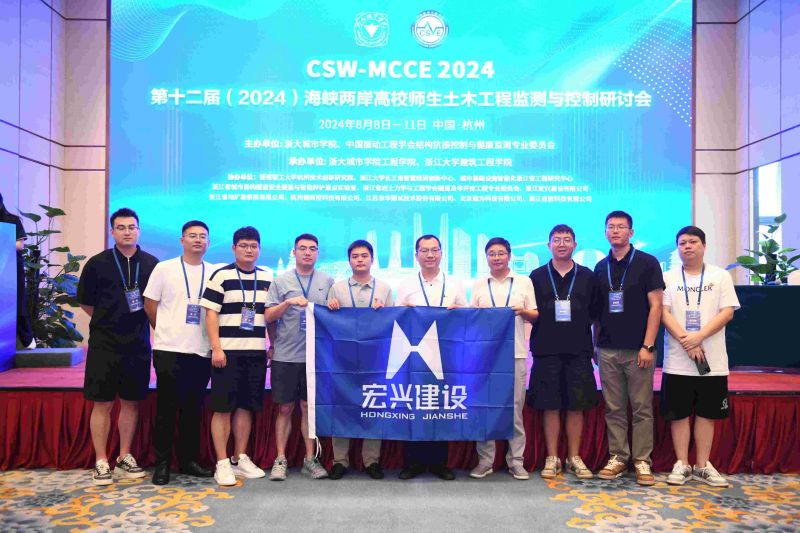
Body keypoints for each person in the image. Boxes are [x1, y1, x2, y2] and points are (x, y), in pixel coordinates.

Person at [77, 207, 159, 485]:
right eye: (121, 228)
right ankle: (101, 460)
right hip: (104, 344)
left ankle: (125, 456)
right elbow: (86, 302)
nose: (127, 232)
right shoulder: (97, 263)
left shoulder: (151, 264)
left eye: (131, 227)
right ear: (112, 232)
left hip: (137, 344)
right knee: (102, 403)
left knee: (131, 403)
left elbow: (155, 304)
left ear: (139, 231)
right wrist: (109, 320)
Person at [661, 226, 739, 487]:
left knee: (707, 413)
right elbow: (663, 313)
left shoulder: (720, 276)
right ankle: (682, 463)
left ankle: (703, 465)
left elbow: (727, 312)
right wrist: (688, 342)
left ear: (704, 246)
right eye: (682, 243)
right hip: (677, 361)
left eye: (693, 242)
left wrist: (699, 337)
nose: (687, 246)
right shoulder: (667, 277)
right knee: (678, 413)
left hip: (712, 361)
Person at [594, 210, 664, 486]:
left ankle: (642, 460)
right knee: (613, 408)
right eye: (610, 227)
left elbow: (656, 306)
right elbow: (597, 312)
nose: (615, 231)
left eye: (621, 227)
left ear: (631, 232)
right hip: (608, 349)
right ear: (605, 232)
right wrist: (595, 344)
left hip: (639, 349)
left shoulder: (647, 263)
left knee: (641, 408)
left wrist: (648, 345)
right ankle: (619, 457)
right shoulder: (601, 267)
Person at [143, 220, 214, 485]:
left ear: (208, 242)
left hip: (201, 350)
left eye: (202, 236)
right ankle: (162, 464)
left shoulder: (214, 272)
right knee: (166, 408)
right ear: (182, 240)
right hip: (169, 349)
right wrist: (165, 331)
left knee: (193, 409)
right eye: (192, 235)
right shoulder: (164, 268)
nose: (198, 240)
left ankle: (188, 461)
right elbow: (150, 305)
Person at [527, 225, 600, 480]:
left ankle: (574, 457)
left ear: (574, 245)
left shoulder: (587, 276)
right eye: (556, 240)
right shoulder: (536, 276)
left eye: (566, 240)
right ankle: (552, 457)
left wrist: (595, 346)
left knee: (576, 406)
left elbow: (596, 315)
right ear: (548, 245)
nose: (561, 244)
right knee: (550, 405)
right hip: (546, 350)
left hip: (579, 350)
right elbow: (531, 312)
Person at [200, 226, 271, 486]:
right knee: (222, 408)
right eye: (243, 245)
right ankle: (221, 462)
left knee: (245, 406)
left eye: (253, 246)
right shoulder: (221, 275)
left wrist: (272, 345)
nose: (248, 250)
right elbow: (210, 314)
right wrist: (216, 348)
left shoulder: (267, 278)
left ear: (259, 249)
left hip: (255, 353)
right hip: (227, 353)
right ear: (234, 248)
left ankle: (239, 458)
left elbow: (270, 316)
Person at [395, 234, 467, 481]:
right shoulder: (406, 284)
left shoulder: (454, 283)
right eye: (424, 250)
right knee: (414, 405)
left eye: (434, 250)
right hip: (414, 356)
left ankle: (439, 463)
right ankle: (413, 462)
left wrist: (459, 312)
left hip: (445, 356)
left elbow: (467, 316)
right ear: (416, 255)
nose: (430, 255)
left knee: (440, 405)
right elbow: (396, 319)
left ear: (441, 253)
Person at [266, 234, 334, 481]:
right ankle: (280, 459)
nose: (307, 252)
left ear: (317, 253)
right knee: (285, 408)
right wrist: (287, 303)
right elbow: (268, 317)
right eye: (302, 248)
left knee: (308, 408)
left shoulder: (327, 281)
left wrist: (334, 306)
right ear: (293, 252)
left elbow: (333, 316)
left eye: (312, 249)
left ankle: (309, 459)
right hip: (286, 355)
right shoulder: (280, 281)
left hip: (316, 357)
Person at [469, 237, 538, 481]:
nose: (496, 257)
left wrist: (522, 312)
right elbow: (471, 319)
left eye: (500, 253)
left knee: (515, 410)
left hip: (515, 354)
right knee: (485, 408)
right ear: (486, 257)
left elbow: (535, 315)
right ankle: (485, 461)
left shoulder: (524, 282)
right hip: (486, 357)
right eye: (492, 253)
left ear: (509, 255)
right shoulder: (479, 284)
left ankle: (516, 461)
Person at [326, 239, 394, 480]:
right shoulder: (337, 289)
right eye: (355, 256)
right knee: (342, 407)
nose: (360, 260)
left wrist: (384, 312)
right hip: (343, 359)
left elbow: (393, 324)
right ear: (349, 260)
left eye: (364, 255)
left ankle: (371, 460)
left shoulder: (384, 289)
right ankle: (340, 461)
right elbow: (327, 324)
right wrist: (330, 307)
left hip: (374, 358)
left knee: (373, 405)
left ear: (372, 259)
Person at [0, 193, 35, 349]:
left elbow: (19, 245)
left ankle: (27, 338)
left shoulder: (11, 220)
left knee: (17, 302)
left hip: (11, 268)